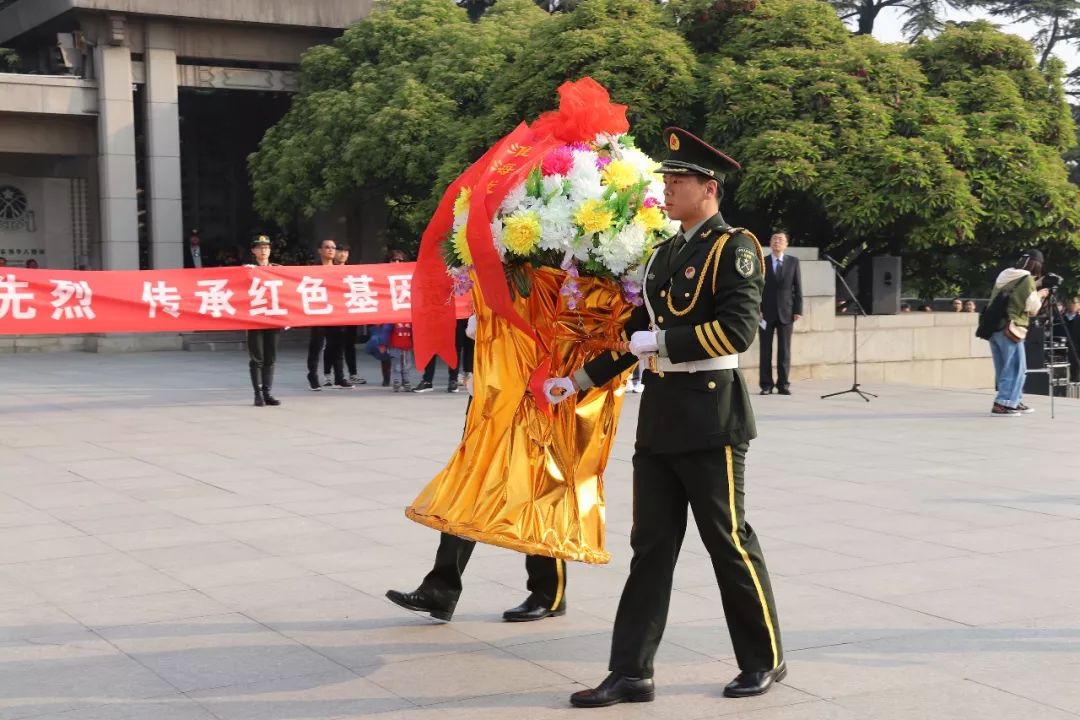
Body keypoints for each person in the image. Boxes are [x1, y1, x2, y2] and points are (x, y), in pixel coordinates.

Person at [545, 128, 784, 708]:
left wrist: (663, 341)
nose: (668, 190)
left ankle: (763, 659)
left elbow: (738, 331)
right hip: (661, 416)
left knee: (727, 540)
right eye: (667, 180)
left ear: (710, 188)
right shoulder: (664, 254)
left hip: (711, 413)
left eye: (678, 181)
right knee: (650, 547)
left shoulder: (736, 247)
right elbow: (633, 339)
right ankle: (631, 671)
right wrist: (576, 381)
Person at [386, 314, 568, 623]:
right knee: (468, 484)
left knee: (536, 489)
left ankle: (548, 593)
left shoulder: (543, 272)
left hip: (534, 393)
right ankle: (440, 589)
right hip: (492, 391)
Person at [987, 249, 1049, 416]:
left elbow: (1013, 292)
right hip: (1011, 327)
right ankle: (1003, 403)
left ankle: (1013, 399)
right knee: (1016, 367)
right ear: (1036, 265)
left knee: (1004, 367)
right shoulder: (1027, 279)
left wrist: (1034, 285)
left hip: (994, 327)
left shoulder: (1005, 274)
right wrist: (1040, 294)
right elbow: (1033, 309)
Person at [758, 230, 802, 396]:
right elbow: (756, 289)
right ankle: (766, 385)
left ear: (786, 244)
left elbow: (798, 287)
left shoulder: (793, 262)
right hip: (765, 313)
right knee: (765, 351)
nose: (777, 241)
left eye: (780, 239)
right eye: (774, 238)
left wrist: (798, 310)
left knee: (784, 351)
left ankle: (783, 384)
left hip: (787, 312)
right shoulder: (762, 262)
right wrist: (757, 309)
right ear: (770, 243)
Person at [306, 239, 352, 391]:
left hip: (336, 313)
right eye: (327, 247)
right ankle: (313, 375)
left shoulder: (340, 270)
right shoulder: (312, 270)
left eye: (333, 247)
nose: (331, 250)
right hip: (318, 312)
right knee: (317, 346)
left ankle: (339, 377)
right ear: (320, 250)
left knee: (337, 347)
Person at [245, 235, 281, 407]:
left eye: (266, 247)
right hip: (255, 319)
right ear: (253, 251)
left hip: (273, 319)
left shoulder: (278, 270)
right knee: (257, 358)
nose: (263, 250)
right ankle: (257, 393)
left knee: (271, 358)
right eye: (260, 247)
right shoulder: (247, 270)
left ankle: (267, 392)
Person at [323, 245, 367, 386]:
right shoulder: (328, 269)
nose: (343, 254)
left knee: (349, 345)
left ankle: (353, 374)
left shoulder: (352, 271)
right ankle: (327, 375)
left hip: (350, 313)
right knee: (332, 345)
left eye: (346, 251)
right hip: (333, 313)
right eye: (340, 251)